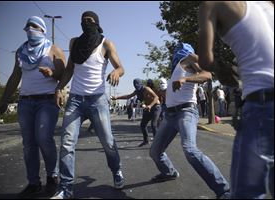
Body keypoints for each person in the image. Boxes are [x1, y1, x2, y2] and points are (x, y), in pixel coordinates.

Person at [198, 1, 274, 198]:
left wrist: (223, 70)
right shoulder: (268, 5)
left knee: (246, 193)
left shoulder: (211, 5)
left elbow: (205, 60)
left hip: (263, 105)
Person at [51, 11, 125, 199]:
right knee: (67, 143)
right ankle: (66, 188)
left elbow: (121, 67)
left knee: (108, 142)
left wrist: (117, 72)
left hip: (97, 100)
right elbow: (69, 70)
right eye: (83, 20)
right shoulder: (74, 43)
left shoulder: (106, 43)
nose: (86, 23)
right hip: (75, 99)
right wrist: (59, 88)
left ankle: (116, 170)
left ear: (97, 23)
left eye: (90, 20)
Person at [149, 42, 230, 199]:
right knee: (155, 152)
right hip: (170, 115)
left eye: (178, 47)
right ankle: (169, 172)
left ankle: (224, 191)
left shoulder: (190, 57)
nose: (175, 51)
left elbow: (207, 75)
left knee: (190, 150)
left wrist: (186, 80)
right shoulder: (178, 66)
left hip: (186, 111)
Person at [0, 16, 66, 198]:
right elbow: (14, 77)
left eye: (34, 26)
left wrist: (52, 73)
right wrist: (4, 99)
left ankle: (53, 175)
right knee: (28, 144)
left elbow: (64, 75)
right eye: (27, 26)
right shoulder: (21, 51)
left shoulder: (54, 50)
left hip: (47, 101)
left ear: (43, 29)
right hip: (25, 102)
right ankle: (33, 182)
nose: (29, 29)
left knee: (43, 137)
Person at [112, 78, 161, 147]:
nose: (136, 86)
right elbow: (128, 96)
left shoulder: (146, 89)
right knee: (143, 125)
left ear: (141, 84)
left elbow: (156, 97)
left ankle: (157, 142)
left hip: (156, 107)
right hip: (148, 108)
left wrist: (150, 105)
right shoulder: (137, 91)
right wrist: (117, 98)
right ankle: (146, 140)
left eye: (137, 84)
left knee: (154, 125)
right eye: (135, 85)